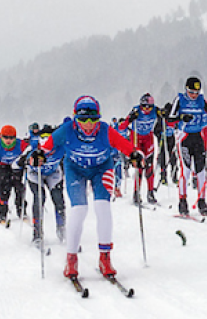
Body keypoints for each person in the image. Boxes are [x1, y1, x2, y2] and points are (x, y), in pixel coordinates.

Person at [34, 96, 142, 279]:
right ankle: (71, 259)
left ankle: (105, 258)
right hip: (75, 169)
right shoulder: (67, 130)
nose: (89, 124)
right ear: (76, 118)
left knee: (103, 207)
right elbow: (46, 146)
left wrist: (134, 155)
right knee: (79, 209)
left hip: (101, 169)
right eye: (83, 120)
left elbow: (125, 146)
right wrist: (39, 155)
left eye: (94, 119)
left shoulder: (105, 131)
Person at [165, 76, 207, 216]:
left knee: (201, 170)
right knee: (186, 170)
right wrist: (181, 118)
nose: (194, 95)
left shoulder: (201, 100)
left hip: (197, 137)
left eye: (196, 92)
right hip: (184, 136)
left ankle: (202, 201)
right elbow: (169, 119)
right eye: (191, 92)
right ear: (186, 90)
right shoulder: (180, 100)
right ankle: (182, 201)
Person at [21, 124, 67, 246]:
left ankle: (62, 229)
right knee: (39, 198)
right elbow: (21, 160)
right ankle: (37, 234)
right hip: (36, 174)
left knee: (58, 199)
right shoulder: (34, 147)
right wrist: (29, 161)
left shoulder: (61, 147)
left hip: (53, 173)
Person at [120, 94, 165, 205]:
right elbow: (122, 126)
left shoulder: (155, 110)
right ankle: (136, 193)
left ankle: (150, 193)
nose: (147, 110)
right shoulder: (136, 110)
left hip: (148, 138)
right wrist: (130, 118)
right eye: (144, 107)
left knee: (149, 167)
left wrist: (164, 115)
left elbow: (167, 121)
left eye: (149, 107)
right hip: (136, 138)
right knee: (139, 168)